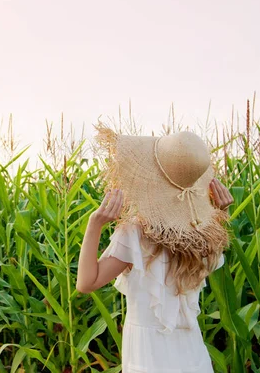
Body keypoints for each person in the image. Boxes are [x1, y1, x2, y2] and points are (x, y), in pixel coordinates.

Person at [76, 125, 234, 373]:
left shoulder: (134, 234)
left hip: (148, 354)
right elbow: (213, 258)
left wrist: (94, 224)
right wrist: (219, 216)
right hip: (192, 354)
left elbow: (86, 283)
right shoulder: (202, 237)